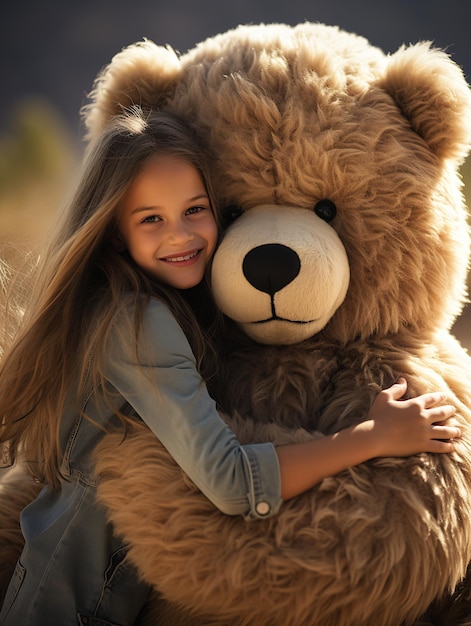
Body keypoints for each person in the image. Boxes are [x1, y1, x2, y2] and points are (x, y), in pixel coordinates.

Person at [0, 107, 460, 626]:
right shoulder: (136, 322)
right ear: (113, 233)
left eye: (196, 209)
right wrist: (373, 437)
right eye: (151, 219)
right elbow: (231, 482)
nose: (182, 236)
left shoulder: (155, 305)